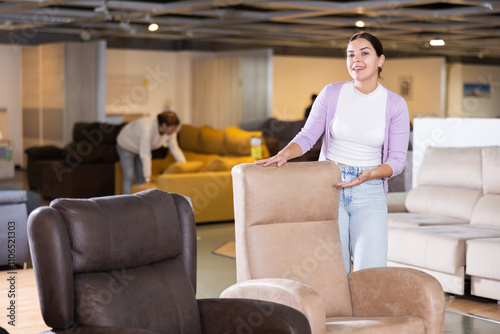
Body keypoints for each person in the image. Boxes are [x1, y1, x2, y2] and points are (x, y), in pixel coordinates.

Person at [256, 31, 410, 274]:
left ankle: (365, 314)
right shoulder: (332, 93)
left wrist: (371, 174)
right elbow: (307, 136)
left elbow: (398, 160)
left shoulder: (395, 104)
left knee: (371, 271)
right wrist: (284, 154)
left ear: (380, 60)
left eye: (364, 53)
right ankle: (335, 313)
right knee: (332, 269)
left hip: (370, 192)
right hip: (330, 185)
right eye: (350, 55)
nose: (356, 60)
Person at [117, 110, 187, 194]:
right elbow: (146, 154)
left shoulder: (170, 132)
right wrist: (148, 179)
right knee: (129, 176)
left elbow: (175, 148)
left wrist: (185, 167)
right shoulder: (147, 128)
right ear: (164, 125)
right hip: (126, 144)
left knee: (141, 177)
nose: (175, 131)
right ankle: (125, 203)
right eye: (173, 128)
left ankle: (137, 202)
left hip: (140, 147)